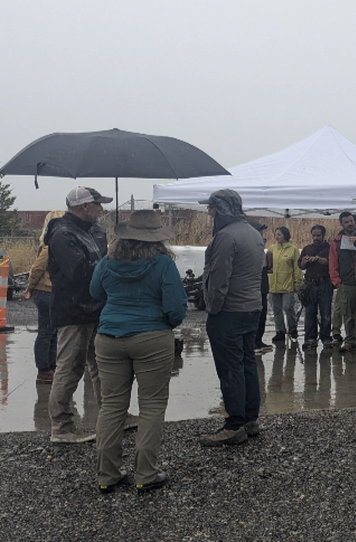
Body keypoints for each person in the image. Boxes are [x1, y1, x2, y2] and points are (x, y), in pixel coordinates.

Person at [89, 210, 186, 494]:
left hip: (108, 337)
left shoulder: (108, 262)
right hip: (152, 338)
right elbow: (177, 307)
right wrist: (164, 324)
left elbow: (96, 292)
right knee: (152, 405)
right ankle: (146, 473)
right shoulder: (163, 265)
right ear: (157, 239)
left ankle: (107, 474)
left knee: (111, 405)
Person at [46, 187, 112, 444]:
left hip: (95, 309)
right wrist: (110, 262)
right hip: (73, 312)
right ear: (85, 206)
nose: (101, 210)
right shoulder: (63, 234)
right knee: (69, 369)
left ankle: (112, 414)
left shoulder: (90, 232)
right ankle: (61, 427)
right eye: (98, 205)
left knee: (102, 366)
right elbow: (78, 272)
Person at [199, 189, 265, 447]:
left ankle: (234, 423)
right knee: (248, 363)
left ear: (222, 208)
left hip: (229, 311)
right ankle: (250, 418)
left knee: (230, 368)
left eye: (211, 208)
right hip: (251, 309)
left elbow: (219, 279)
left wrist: (213, 309)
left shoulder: (225, 236)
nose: (209, 213)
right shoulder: (253, 232)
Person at [25, 210, 65, 384]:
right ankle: (44, 370)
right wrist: (30, 288)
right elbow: (37, 269)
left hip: (52, 292)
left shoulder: (56, 244)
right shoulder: (50, 247)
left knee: (53, 332)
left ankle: (50, 367)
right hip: (46, 292)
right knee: (47, 332)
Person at [329, 211, 356, 351]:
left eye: (351, 220)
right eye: (346, 222)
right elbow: (333, 262)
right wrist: (337, 282)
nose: (350, 223)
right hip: (347, 282)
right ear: (341, 224)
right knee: (348, 314)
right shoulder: (337, 241)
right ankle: (349, 340)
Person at [299, 224, 333, 349]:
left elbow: (330, 263)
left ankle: (326, 338)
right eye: (314, 235)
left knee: (325, 313)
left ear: (323, 235)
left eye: (318, 235)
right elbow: (301, 265)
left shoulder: (329, 248)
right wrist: (305, 261)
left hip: (325, 283)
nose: (316, 238)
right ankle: (310, 339)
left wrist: (318, 259)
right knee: (310, 313)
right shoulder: (306, 248)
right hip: (310, 284)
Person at [267, 226, 303, 342]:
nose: (276, 237)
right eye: (275, 235)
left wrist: (297, 282)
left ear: (285, 236)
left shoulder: (293, 250)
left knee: (288, 307)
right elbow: (268, 266)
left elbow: (297, 268)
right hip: (274, 285)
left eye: (279, 235)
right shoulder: (271, 249)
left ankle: (292, 329)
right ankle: (280, 331)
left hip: (287, 285)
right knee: (276, 310)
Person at [251, 222, 272, 354]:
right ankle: (252, 343)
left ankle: (259, 340)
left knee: (263, 313)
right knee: (255, 314)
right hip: (254, 286)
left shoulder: (261, 246)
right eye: (260, 232)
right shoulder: (250, 246)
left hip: (263, 286)